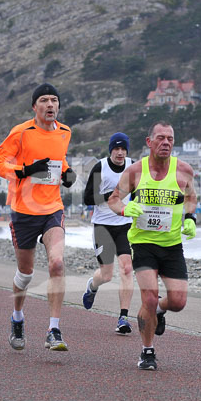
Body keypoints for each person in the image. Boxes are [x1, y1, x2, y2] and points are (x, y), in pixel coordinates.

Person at [0, 83, 77, 352]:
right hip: (24, 212)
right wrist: (25, 170)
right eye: (44, 100)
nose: (50, 104)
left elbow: (59, 161)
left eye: (54, 100)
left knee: (57, 263)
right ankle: (17, 317)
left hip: (52, 209)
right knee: (25, 274)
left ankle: (53, 329)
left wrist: (68, 173)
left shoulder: (65, 132)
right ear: (34, 106)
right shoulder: (21, 132)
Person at [108, 121, 197, 370]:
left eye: (170, 138)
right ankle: (147, 351)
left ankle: (158, 309)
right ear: (149, 142)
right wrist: (125, 209)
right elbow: (113, 199)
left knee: (178, 302)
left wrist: (190, 218)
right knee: (148, 297)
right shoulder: (136, 171)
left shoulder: (184, 170)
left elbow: (191, 197)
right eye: (160, 138)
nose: (165, 142)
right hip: (143, 243)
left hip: (172, 245)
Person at [81, 132, 135, 334]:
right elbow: (87, 198)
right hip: (102, 226)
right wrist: (111, 195)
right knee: (106, 274)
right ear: (111, 150)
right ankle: (92, 287)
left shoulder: (133, 166)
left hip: (125, 224)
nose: (120, 153)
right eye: (116, 149)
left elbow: (139, 192)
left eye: (123, 149)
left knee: (127, 268)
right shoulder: (100, 167)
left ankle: (123, 317)